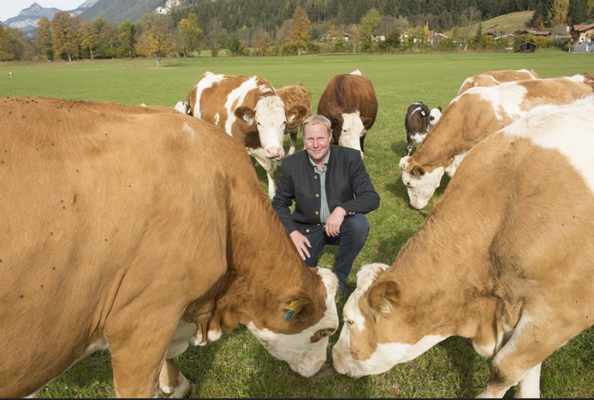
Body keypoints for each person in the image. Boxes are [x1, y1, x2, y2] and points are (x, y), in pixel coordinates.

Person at [272, 114, 380, 299]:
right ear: (303, 139)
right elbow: (279, 203)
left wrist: (341, 210)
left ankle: (340, 277)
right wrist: (292, 232)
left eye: (321, 138)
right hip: (306, 229)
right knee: (300, 283)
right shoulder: (291, 164)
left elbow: (371, 197)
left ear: (330, 136)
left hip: (340, 226)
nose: (316, 144)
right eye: (310, 139)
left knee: (359, 225)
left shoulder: (350, 158)